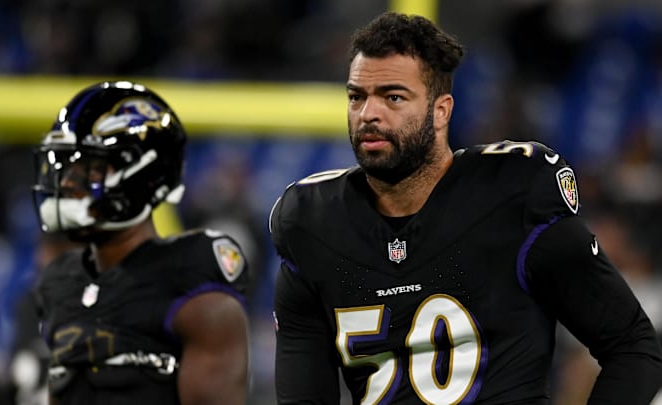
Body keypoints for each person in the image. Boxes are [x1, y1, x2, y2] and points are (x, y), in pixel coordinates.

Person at [270, 12, 662, 404]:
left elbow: (632, 345)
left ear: (441, 110)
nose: (369, 114)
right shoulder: (313, 223)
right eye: (357, 96)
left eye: (393, 97)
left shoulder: (512, 196)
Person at [31, 81, 249, 405]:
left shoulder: (191, 280)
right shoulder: (59, 282)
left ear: (144, 174)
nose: (66, 184)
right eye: (65, 169)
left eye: (87, 170)